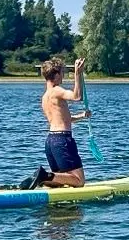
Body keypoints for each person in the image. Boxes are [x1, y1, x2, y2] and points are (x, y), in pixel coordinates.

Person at [22, 55, 88, 189]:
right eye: (62, 72)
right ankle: (45, 176)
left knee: (59, 183)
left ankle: (42, 179)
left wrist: (82, 116)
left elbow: (61, 119)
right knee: (79, 181)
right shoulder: (57, 90)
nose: (63, 76)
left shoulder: (45, 97)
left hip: (51, 141)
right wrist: (78, 73)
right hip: (62, 140)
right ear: (56, 74)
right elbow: (77, 97)